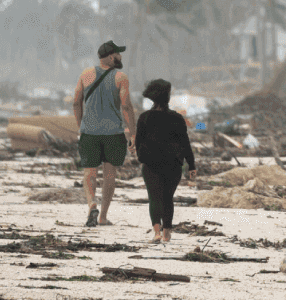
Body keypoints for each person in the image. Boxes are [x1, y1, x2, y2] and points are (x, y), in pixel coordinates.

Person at [73, 40, 136, 227]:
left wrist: (81, 126)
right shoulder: (121, 77)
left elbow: (76, 102)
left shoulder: (85, 74)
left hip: (89, 133)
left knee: (89, 172)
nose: (120, 56)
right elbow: (126, 106)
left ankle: (92, 204)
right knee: (110, 174)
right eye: (118, 54)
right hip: (113, 134)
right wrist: (133, 133)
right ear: (110, 57)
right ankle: (103, 217)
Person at [135, 78, 196, 243]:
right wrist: (191, 164)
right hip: (173, 165)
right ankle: (167, 234)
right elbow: (185, 143)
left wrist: (142, 158)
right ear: (167, 96)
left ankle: (156, 232)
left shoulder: (144, 118)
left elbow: (138, 142)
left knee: (154, 198)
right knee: (167, 198)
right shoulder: (177, 118)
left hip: (151, 164)